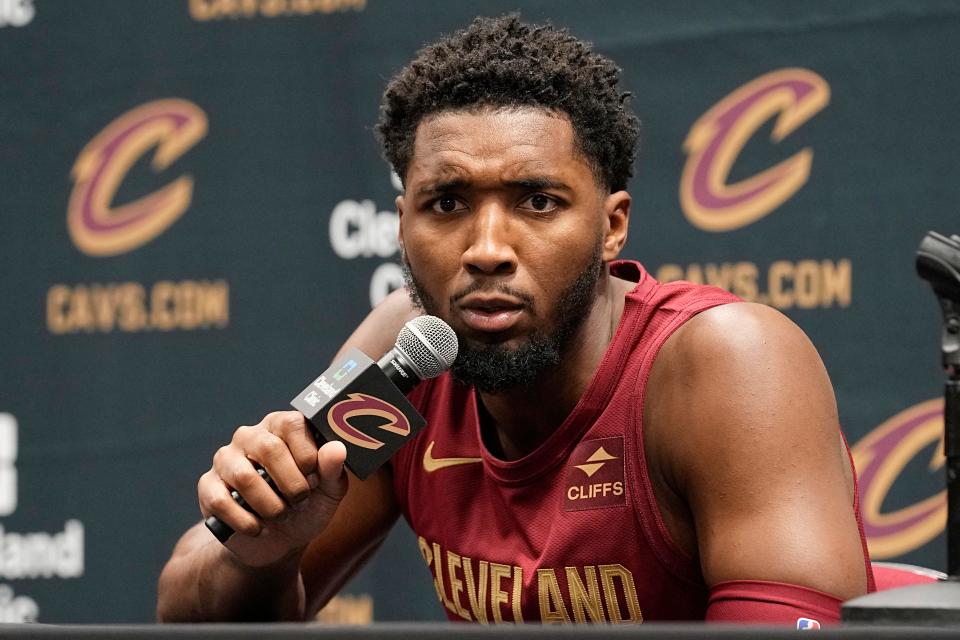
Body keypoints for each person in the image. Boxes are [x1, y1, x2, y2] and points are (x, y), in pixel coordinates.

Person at [156, 14, 874, 625]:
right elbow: (185, 605)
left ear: (612, 226)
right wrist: (264, 556)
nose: (488, 249)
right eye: (447, 204)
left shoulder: (726, 361)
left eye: (537, 202)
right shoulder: (402, 359)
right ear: (401, 225)